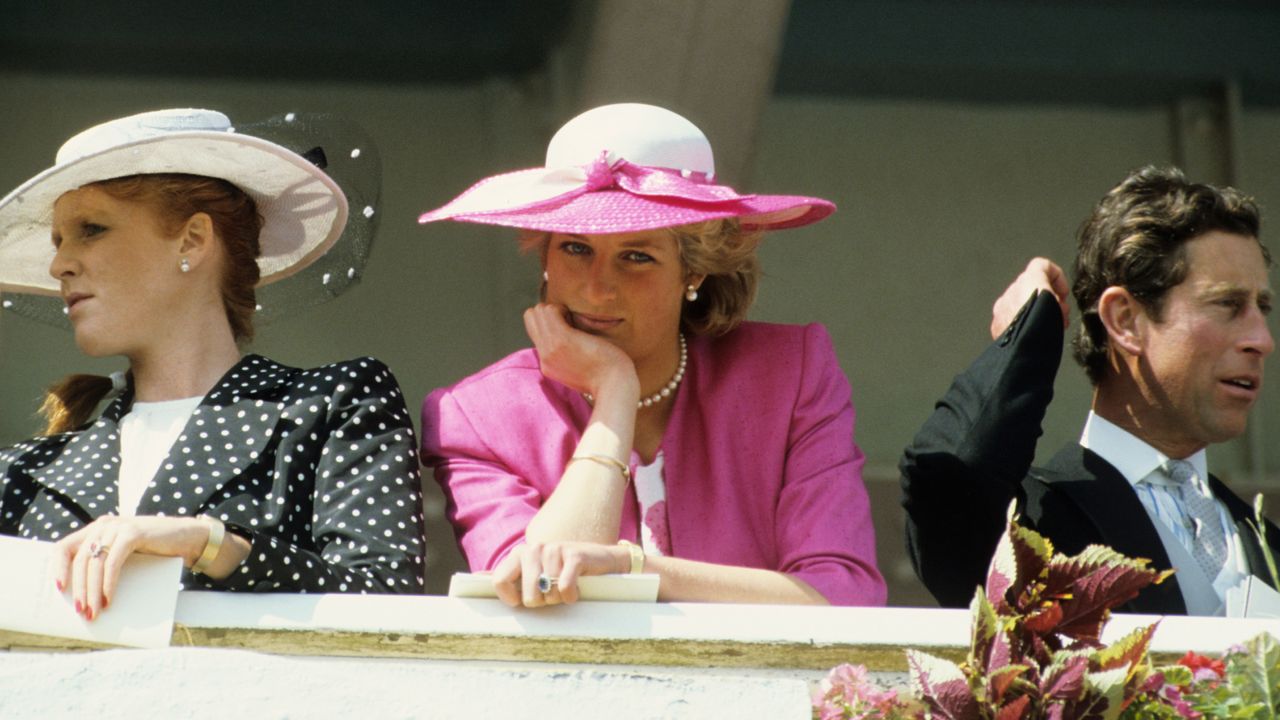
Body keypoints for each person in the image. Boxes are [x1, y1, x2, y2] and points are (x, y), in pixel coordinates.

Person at [419, 103, 885, 608]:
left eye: (637, 257)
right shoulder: (474, 417)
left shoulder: (790, 375)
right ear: (545, 255)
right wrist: (615, 390)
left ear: (695, 272)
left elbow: (843, 595)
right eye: (575, 248)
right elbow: (540, 590)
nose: (598, 290)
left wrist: (634, 568)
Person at [0, 108, 425, 621]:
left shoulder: (332, 403)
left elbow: (386, 604)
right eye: (57, 240)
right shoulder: (24, 472)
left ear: (193, 240)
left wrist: (208, 543)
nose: (58, 264)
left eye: (91, 229)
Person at [900, 166, 1280, 615]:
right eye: (1227, 305)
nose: (1262, 340)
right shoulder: (1029, 522)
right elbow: (951, 473)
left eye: (1262, 308)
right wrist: (1029, 333)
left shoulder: (1265, 541)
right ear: (1124, 319)